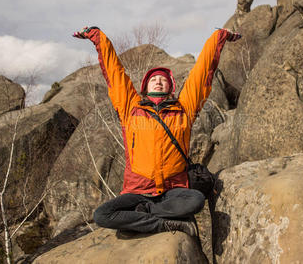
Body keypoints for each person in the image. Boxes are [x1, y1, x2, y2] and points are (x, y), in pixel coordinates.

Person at [73, 26, 241, 237]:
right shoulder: (131, 109)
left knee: (196, 201)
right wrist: (98, 37)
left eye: (163, 79)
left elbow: (201, 74)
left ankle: (142, 218)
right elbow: (114, 73)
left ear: (170, 87)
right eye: (154, 79)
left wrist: (218, 38)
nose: (158, 80)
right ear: (144, 87)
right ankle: (165, 224)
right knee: (102, 215)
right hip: (138, 191)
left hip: (172, 191)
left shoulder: (184, 109)